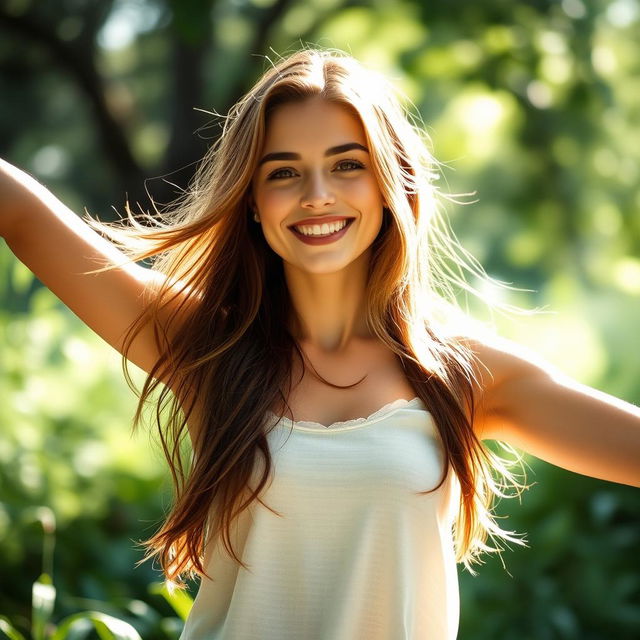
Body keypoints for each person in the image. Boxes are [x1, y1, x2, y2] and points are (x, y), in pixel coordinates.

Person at [1, 48, 638, 640]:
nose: (317, 196)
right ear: (252, 201)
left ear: (390, 184)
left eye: (347, 165)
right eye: (284, 172)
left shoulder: (463, 372)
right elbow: (19, 211)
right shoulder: (207, 349)